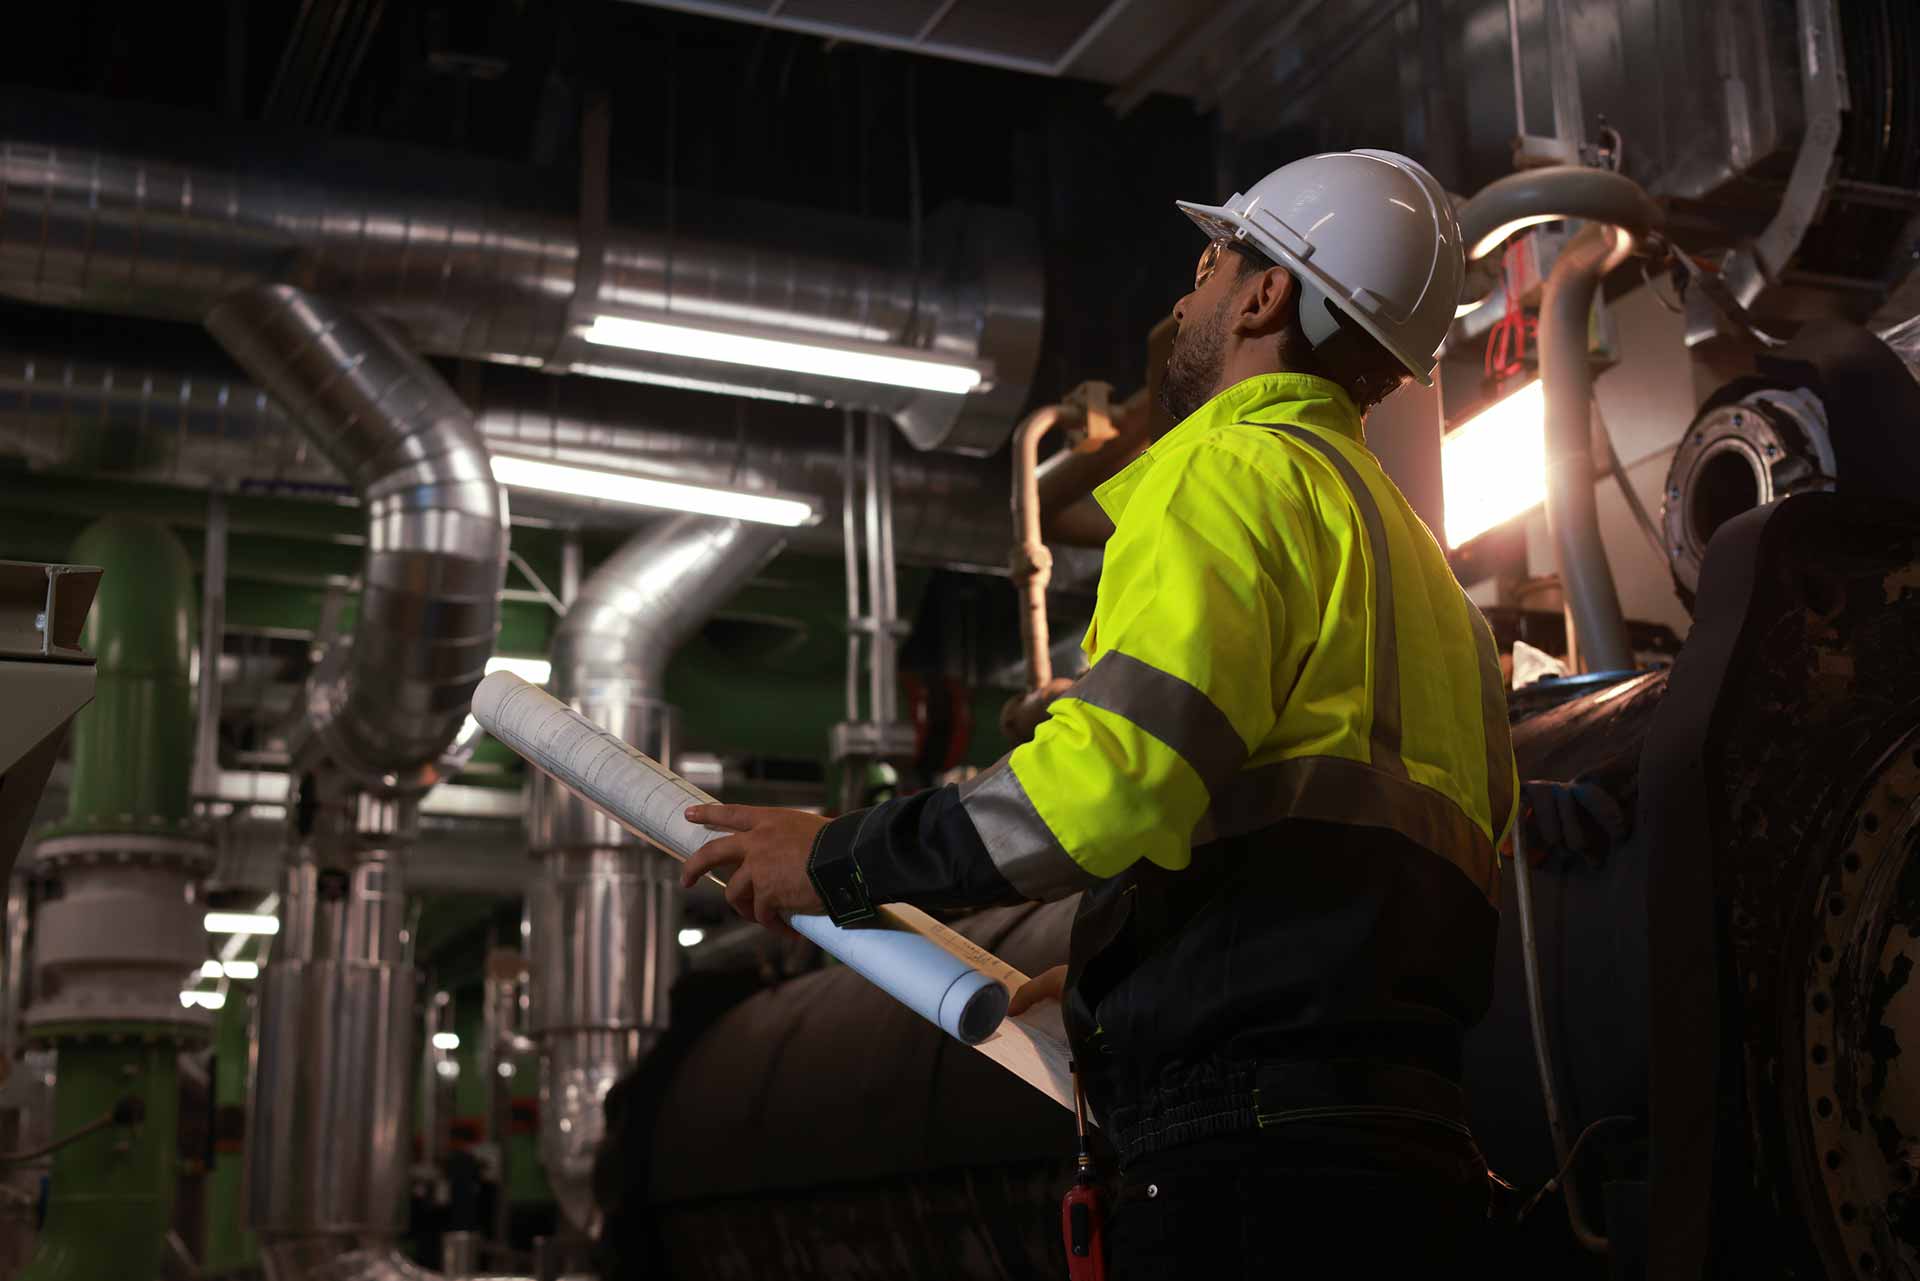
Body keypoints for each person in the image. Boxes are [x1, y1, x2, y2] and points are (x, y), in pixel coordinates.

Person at [679, 150, 1516, 1276]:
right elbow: (1402, 861)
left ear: (1266, 296)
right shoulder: (1427, 577)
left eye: (1209, 268)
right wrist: (1154, 958)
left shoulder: (1227, 471)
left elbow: (1115, 778)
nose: (1186, 300)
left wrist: (834, 858)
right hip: (1421, 1152)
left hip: (1249, 1165)